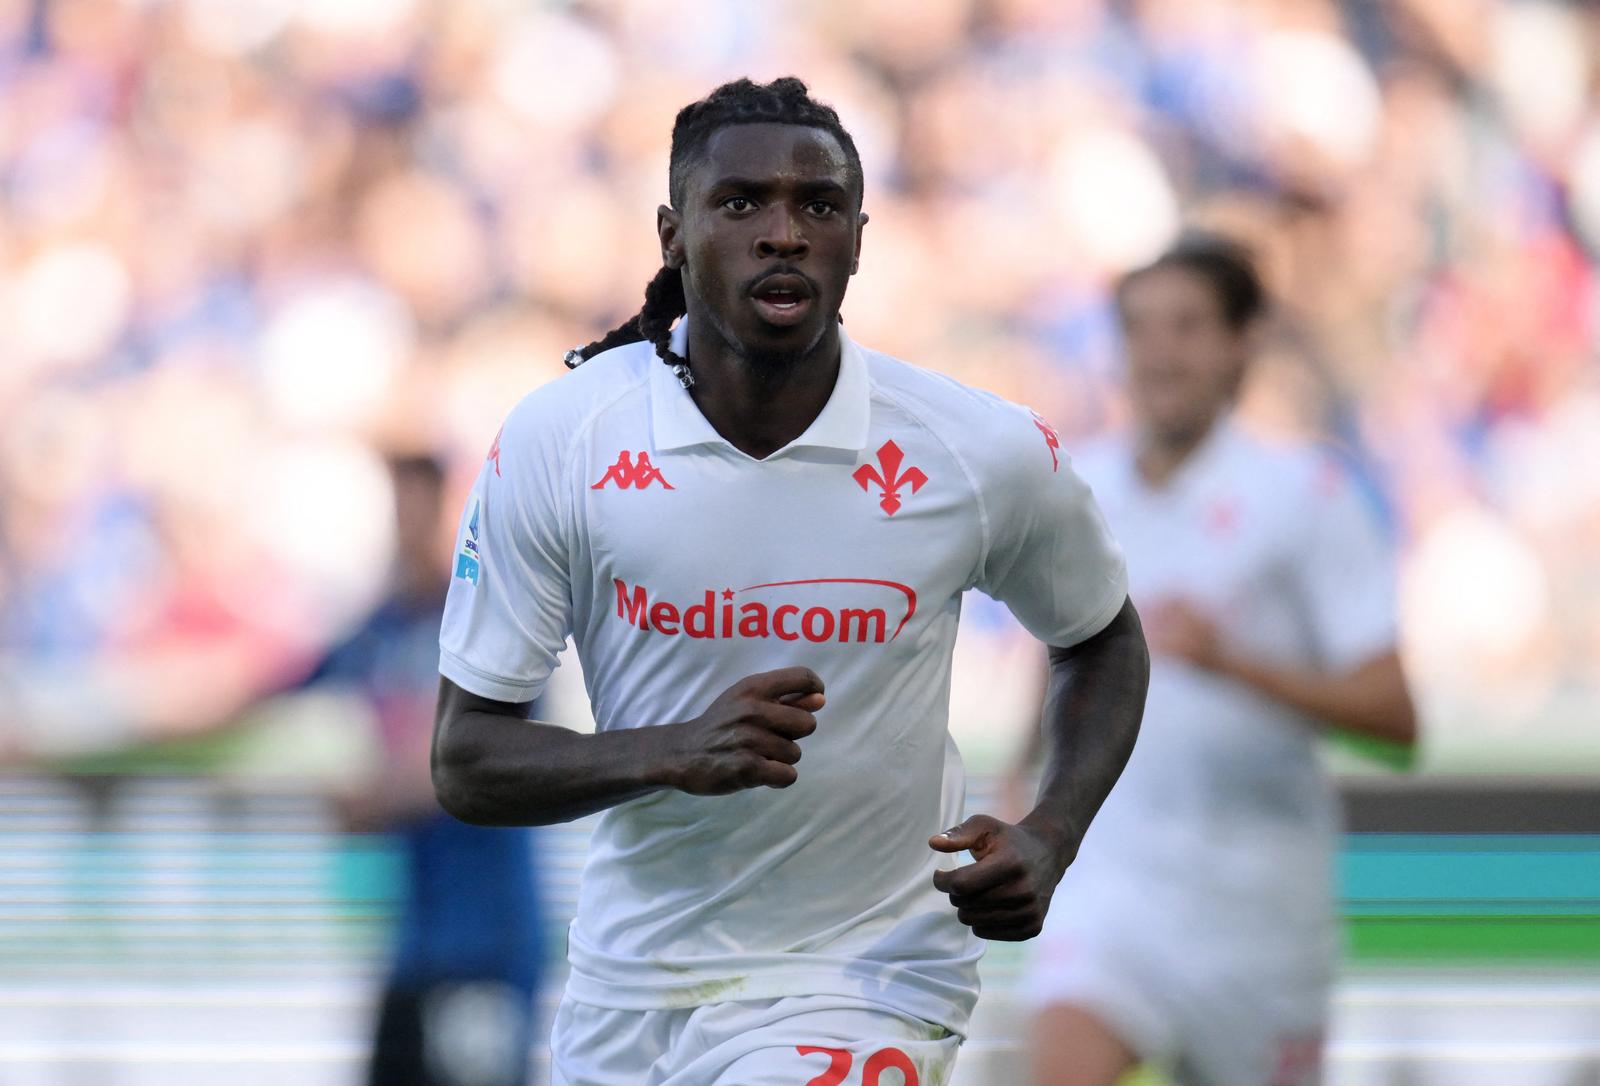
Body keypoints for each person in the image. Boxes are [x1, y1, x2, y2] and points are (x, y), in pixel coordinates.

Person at [430, 77, 1149, 1085]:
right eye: (741, 204)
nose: (783, 232)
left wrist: (1053, 832)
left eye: (817, 206)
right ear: (673, 235)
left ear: (859, 237)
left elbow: (1100, 635)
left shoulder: (973, 449)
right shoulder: (564, 440)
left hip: (869, 979)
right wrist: (672, 752)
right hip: (629, 992)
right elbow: (466, 759)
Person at [1012, 237, 1418, 1086]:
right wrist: (1023, 771)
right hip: (1112, 887)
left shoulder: (1307, 494)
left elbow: (1396, 717)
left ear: (1241, 344)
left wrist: (1234, 662)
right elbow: (1056, 653)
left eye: (1188, 326)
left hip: (1259, 916)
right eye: (1141, 329)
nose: (1160, 353)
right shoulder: (1079, 491)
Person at [310, 454, 543, 1086]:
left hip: (485, 941)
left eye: (415, 508)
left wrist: (376, 798)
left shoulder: (491, 624)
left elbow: (470, 756)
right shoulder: (375, 631)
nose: (403, 526)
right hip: (414, 943)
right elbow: (269, 690)